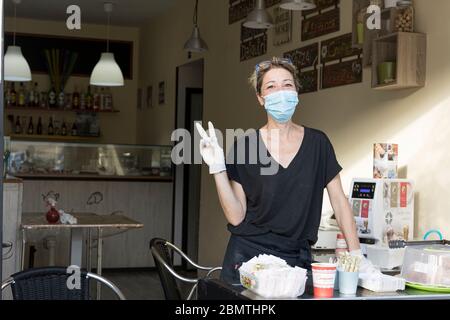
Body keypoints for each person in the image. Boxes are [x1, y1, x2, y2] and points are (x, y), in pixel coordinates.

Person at [196, 57, 376, 285]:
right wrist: (218, 168)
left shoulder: (318, 144)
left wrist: (356, 255)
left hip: (295, 262)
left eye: (287, 84)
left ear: (297, 93)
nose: (280, 91)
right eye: (271, 86)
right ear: (260, 99)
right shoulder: (245, 146)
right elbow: (236, 216)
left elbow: (340, 202)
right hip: (249, 260)